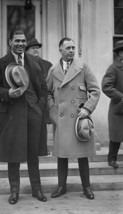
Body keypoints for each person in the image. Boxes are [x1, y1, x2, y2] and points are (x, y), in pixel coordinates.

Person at [0, 30, 48, 204]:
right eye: (17, 41)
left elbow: (44, 88)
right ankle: (14, 191)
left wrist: (40, 106)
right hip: (11, 114)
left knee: (33, 154)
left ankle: (37, 190)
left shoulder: (36, 62)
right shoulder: (1, 63)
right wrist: (7, 93)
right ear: (10, 42)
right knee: (13, 154)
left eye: (23, 41)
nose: (21, 44)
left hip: (33, 113)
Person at [46, 37, 100, 200]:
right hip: (61, 120)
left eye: (73, 48)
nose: (71, 51)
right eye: (68, 48)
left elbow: (95, 91)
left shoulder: (82, 68)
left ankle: (87, 187)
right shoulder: (53, 70)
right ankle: (61, 186)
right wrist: (52, 110)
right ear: (60, 50)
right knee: (62, 156)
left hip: (79, 119)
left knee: (82, 155)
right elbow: (47, 92)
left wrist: (87, 108)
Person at [102, 40, 123, 169]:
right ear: (119, 54)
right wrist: (121, 97)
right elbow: (106, 86)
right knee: (116, 135)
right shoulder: (114, 68)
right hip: (119, 107)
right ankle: (112, 159)